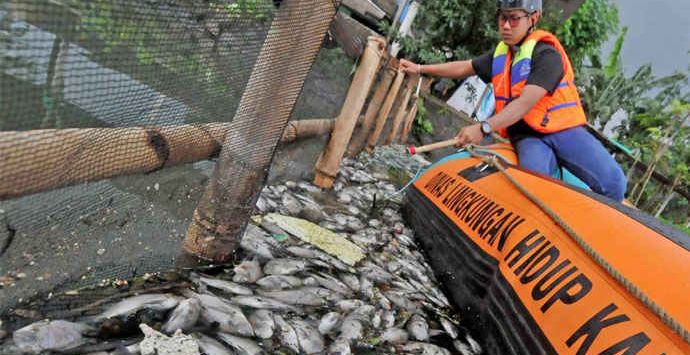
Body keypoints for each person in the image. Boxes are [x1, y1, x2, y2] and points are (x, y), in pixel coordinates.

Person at [399, 0, 627, 202]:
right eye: (503, 18)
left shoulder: (547, 55)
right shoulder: (501, 55)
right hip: (527, 137)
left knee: (614, 183)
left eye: (514, 19)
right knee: (530, 189)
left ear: (533, 18)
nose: (506, 26)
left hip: (561, 130)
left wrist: (483, 127)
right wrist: (420, 68)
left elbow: (524, 103)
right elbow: (465, 67)